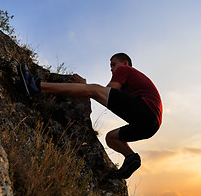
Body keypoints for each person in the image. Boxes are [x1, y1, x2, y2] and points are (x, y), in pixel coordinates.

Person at [20, 53, 162, 179]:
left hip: (146, 111)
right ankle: (131, 158)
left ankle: (37, 86)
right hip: (151, 125)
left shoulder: (125, 70)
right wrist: (88, 88)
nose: (112, 69)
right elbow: (106, 95)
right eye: (110, 66)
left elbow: (104, 91)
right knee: (111, 138)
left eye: (113, 64)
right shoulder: (132, 85)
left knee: (94, 90)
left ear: (125, 63)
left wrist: (86, 87)